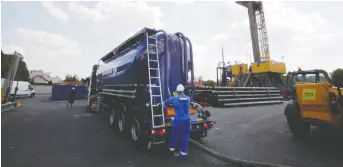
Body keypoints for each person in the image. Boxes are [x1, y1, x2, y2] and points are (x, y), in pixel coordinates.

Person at [163, 84, 191, 158]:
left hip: (178, 120)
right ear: (183, 90)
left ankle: (171, 149)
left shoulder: (174, 98)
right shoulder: (188, 98)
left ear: (177, 91)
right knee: (185, 136)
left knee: (175, 135)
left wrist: (160, 104)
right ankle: (183, 153)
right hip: (187, 120)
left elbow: (165, 103)